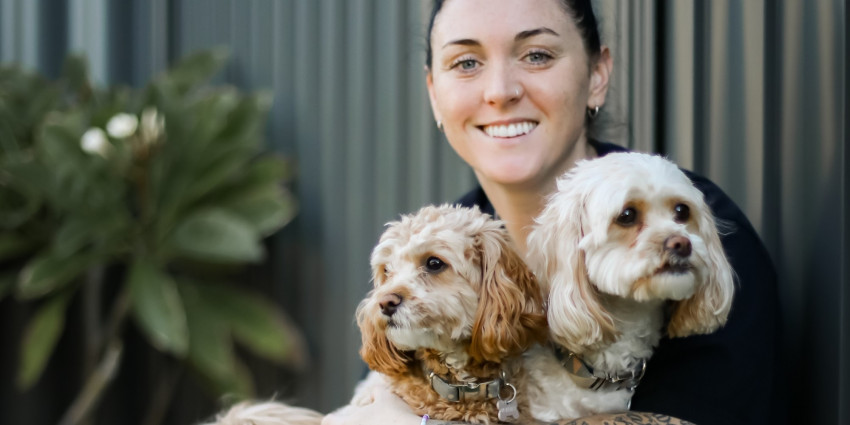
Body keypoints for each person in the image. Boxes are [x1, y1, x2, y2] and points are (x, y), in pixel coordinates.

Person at [323, 0, 782, 424]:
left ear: (597, 74)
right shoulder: (451, 233)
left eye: (537, 55)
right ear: (434, 94)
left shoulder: (697, 230)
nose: (500, 91)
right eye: (466, 63)